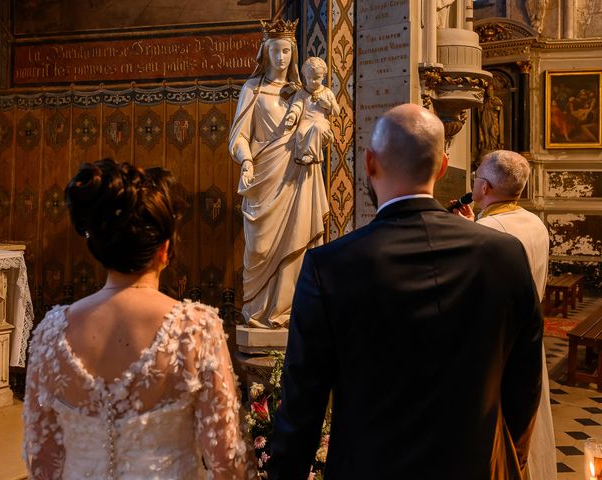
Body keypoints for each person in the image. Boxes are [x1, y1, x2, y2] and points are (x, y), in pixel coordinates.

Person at [268, 104, 543, 480]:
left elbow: (303, 401)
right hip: (476, 466)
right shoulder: (503, 254)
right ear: (443, 166)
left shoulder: (330, 266)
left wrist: (286, 473)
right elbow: (524, 383)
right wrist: (511, 462)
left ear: (369, 163)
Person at [23, 159, 255, 479]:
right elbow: (226, 461)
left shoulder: (50, 333)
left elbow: (42, 461)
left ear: (97, 247)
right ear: (164, 248)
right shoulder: (196, 328)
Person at [453, 150, 556, 480]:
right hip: (528, 344)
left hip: (494, 353)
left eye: (476, 176)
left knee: (497, 446)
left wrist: (467, 234)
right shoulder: (533, 222)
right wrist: (475, 227)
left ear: (484, 186)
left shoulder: (487, 231)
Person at [228, 19, 329, 328]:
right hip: (263, 178)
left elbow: (321, 126)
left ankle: (284, 316)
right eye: (275, 51)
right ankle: (257, 311)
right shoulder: (253, 89)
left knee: (295, 245)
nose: (281, 58)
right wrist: (246, 161)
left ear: (293, 53)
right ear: (265, 52)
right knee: (258, 249)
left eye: (286, 51)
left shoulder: (303, 92)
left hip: (297, 178)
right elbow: (238, 137)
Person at [284, 56, 340, 165]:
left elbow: (337, 112)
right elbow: (297, 106)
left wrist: (328, 105)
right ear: (304, 76)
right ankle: (305, 155)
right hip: (306, 121)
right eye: (309, 78)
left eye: (316, 78)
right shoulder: (301, 93)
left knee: (317, 128)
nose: (312, 81)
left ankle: (309, 154)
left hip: (321, 122)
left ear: (323, 76)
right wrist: (292, 115)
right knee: (300, 131)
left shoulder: (327, 92)